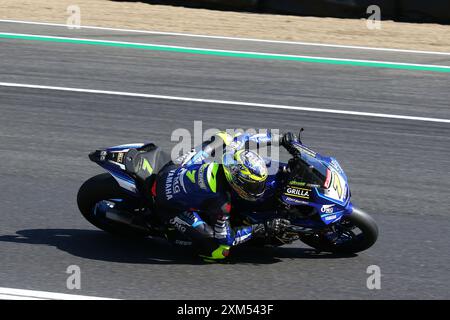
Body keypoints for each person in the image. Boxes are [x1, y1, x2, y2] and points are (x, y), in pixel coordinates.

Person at [152, 130, 299, 262]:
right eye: (253, 185)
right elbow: (227, 239)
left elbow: (247, 137)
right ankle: (174, 234)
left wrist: (280, 139)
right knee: (220, 250)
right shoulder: (221, 204)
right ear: (236, 180)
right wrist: (262, 227)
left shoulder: (233, 153)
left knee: (221, 138)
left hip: (172, 169)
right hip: (168, 205)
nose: (258, 189)